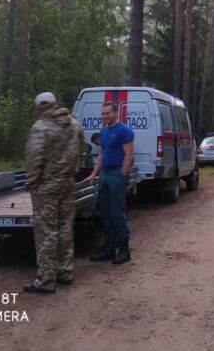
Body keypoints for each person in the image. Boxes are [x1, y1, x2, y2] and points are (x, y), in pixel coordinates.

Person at [23, 92, 86, 294]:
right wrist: (73, 170)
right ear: (54, 104)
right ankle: (65, 272)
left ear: (40, 107)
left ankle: (45, 279)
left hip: (47, 186)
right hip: (67, 182)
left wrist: (32, 183)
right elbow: (82, 149)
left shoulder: (40, 128)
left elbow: (34, 159)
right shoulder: (74, 125)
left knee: (46, 230)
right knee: (65, 226)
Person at [87, 101, 134, 264]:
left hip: (117, 173)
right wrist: (94, 174)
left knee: (117, 213)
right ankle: (109, 248)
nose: (105, 116)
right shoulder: (104, 132)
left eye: (107, 113)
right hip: (105, 174)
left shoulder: (125, 131)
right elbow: (102, 154)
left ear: (116, 113)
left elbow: (129, 155)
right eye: (103, 113)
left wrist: (122, 173)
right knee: (105, 213)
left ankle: (124, 249)